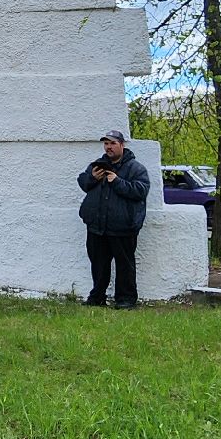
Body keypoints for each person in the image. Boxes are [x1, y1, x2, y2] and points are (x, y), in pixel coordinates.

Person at [77, 130, 151, 309]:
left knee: (125, 265)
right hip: (97, 226)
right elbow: (83, 183)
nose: (108, 147)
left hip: (123, 227)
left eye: (112, 143)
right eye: (106, 144)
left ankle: (125, 300)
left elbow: (140, 191)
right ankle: (97, 297)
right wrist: (92, 178)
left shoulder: (136, 168)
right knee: (99, 264)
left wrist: (117, 181)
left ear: (122, 145)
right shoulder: (98, 165)